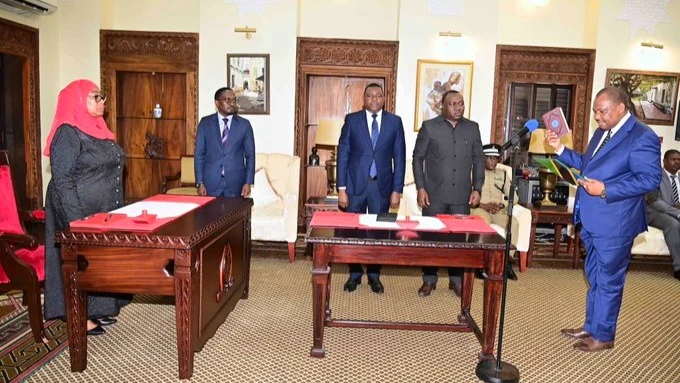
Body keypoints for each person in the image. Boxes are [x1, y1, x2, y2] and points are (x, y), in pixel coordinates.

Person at [546, 86, 661, 352]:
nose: (597, 117)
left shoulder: (642, 136)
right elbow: (588, 164)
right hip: (592, 218)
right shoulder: (602, 132)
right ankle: (592, 325)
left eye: (602, 111)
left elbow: (650, 180)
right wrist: (560, 149)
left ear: (621, 108)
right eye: (596, 111)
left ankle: (604, 335)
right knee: (595, 275)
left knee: (609, 280)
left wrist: (606, 190)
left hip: (616, 222)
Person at [43, 79, 131, 336]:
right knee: (77, 262)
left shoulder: (98, 128)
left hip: (102, 209)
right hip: (75, 207)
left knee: (97, 260)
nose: (102, 102)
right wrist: (76, 220)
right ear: (77, 99)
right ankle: (76, 314)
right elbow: (63, 179)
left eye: (102, 97)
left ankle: (95, 308)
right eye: (95, 97)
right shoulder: (68, 132)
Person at [413, 90, 484, 298]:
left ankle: (456, 280)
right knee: (431, 240)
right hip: (433, 195)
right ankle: (429, 280)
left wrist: (477, 187)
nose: (458, 107)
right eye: (453, 104)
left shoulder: (472, 129)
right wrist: (420, 187)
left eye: (461, 103)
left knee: (460, 241)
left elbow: (478, 160)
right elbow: (418, 158)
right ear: (442, 106)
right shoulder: (429, 127)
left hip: (462, 197)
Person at [336, 83, 406, 294]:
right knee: (354, 231)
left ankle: (374, 275)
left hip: (382, 187)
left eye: (378, 96)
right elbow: (343, 154)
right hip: (355, 185)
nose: (374, 99)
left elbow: (400, 158)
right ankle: (354, 274)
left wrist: (397, 189)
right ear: (364, 99)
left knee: (379, 232)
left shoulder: (395, 122)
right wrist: (341, 188)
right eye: (370, 96)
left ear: (383, 99)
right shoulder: (352, 120)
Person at [195, 87, 255, 197]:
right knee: (211, 214)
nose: (232, 103)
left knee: (235, 214)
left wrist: (248, 182)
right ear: (217, 103)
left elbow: (250, 156)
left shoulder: (244, 125)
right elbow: (199, 155)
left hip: (236, 184)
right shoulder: (205, 123)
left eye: (234, 100)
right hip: (210, 183)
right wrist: (200, 183)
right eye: (227, 100)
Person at [470, 143, 518, 281]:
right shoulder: (474, 172)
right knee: (482, 223)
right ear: (483, 158)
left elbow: (514, 197)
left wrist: (502, 205)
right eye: (490, 158)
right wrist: (483, 205)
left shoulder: (502, 174)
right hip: (479, 208)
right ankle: (480, 265)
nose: (493, 161)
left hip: (497, 210)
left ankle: (507, 262)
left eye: (496, 158)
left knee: (513, 223)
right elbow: (465, 195)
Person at [646, 149, 680, 281]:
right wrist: (677, 211)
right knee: (673, 224)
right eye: (673, 159)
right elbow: (654, 201)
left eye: (679, 159)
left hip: (672, 211)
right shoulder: (655, 176)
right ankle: (678, 268)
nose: (677, 162)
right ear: (664, 161)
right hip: (654, 212)